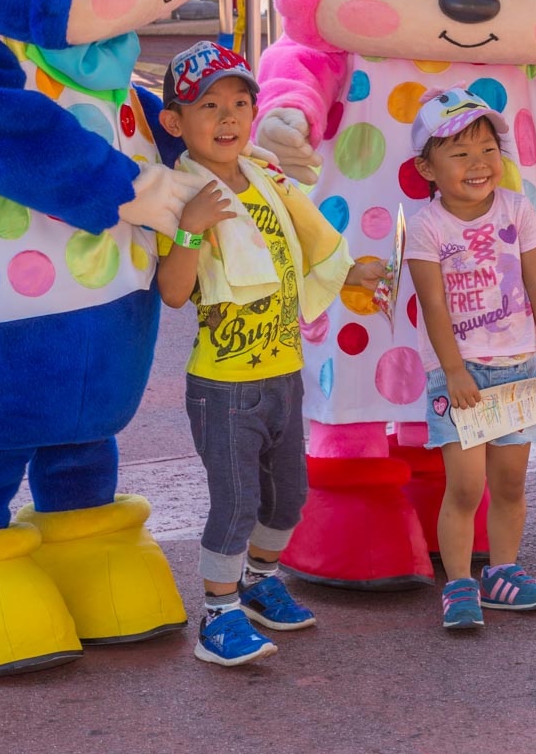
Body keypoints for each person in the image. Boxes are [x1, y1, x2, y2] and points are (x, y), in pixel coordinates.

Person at [154, 41, 388, 667]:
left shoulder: (264, 175)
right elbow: (174, 292)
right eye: (209, 105)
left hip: (284, 370)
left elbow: (310, 243)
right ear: (175, 122)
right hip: (224, 385)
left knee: (289, 496)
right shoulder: (179, 193)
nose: (229, 117)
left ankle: (259, 581)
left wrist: (352, 273)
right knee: (236, 502)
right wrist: (189, 227)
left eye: (240, 102)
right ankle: (218, 614)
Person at [405, 89, 536, 631]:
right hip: (464, 375)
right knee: (465, 487)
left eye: (487, 149)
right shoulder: (427, 226)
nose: (479, 164)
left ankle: (502, 574)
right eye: (460, 153)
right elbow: (431, 304)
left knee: (510, 484)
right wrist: (452, 371)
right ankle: (457, 584)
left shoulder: (518, 209)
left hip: (520, 369)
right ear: (427, 168)